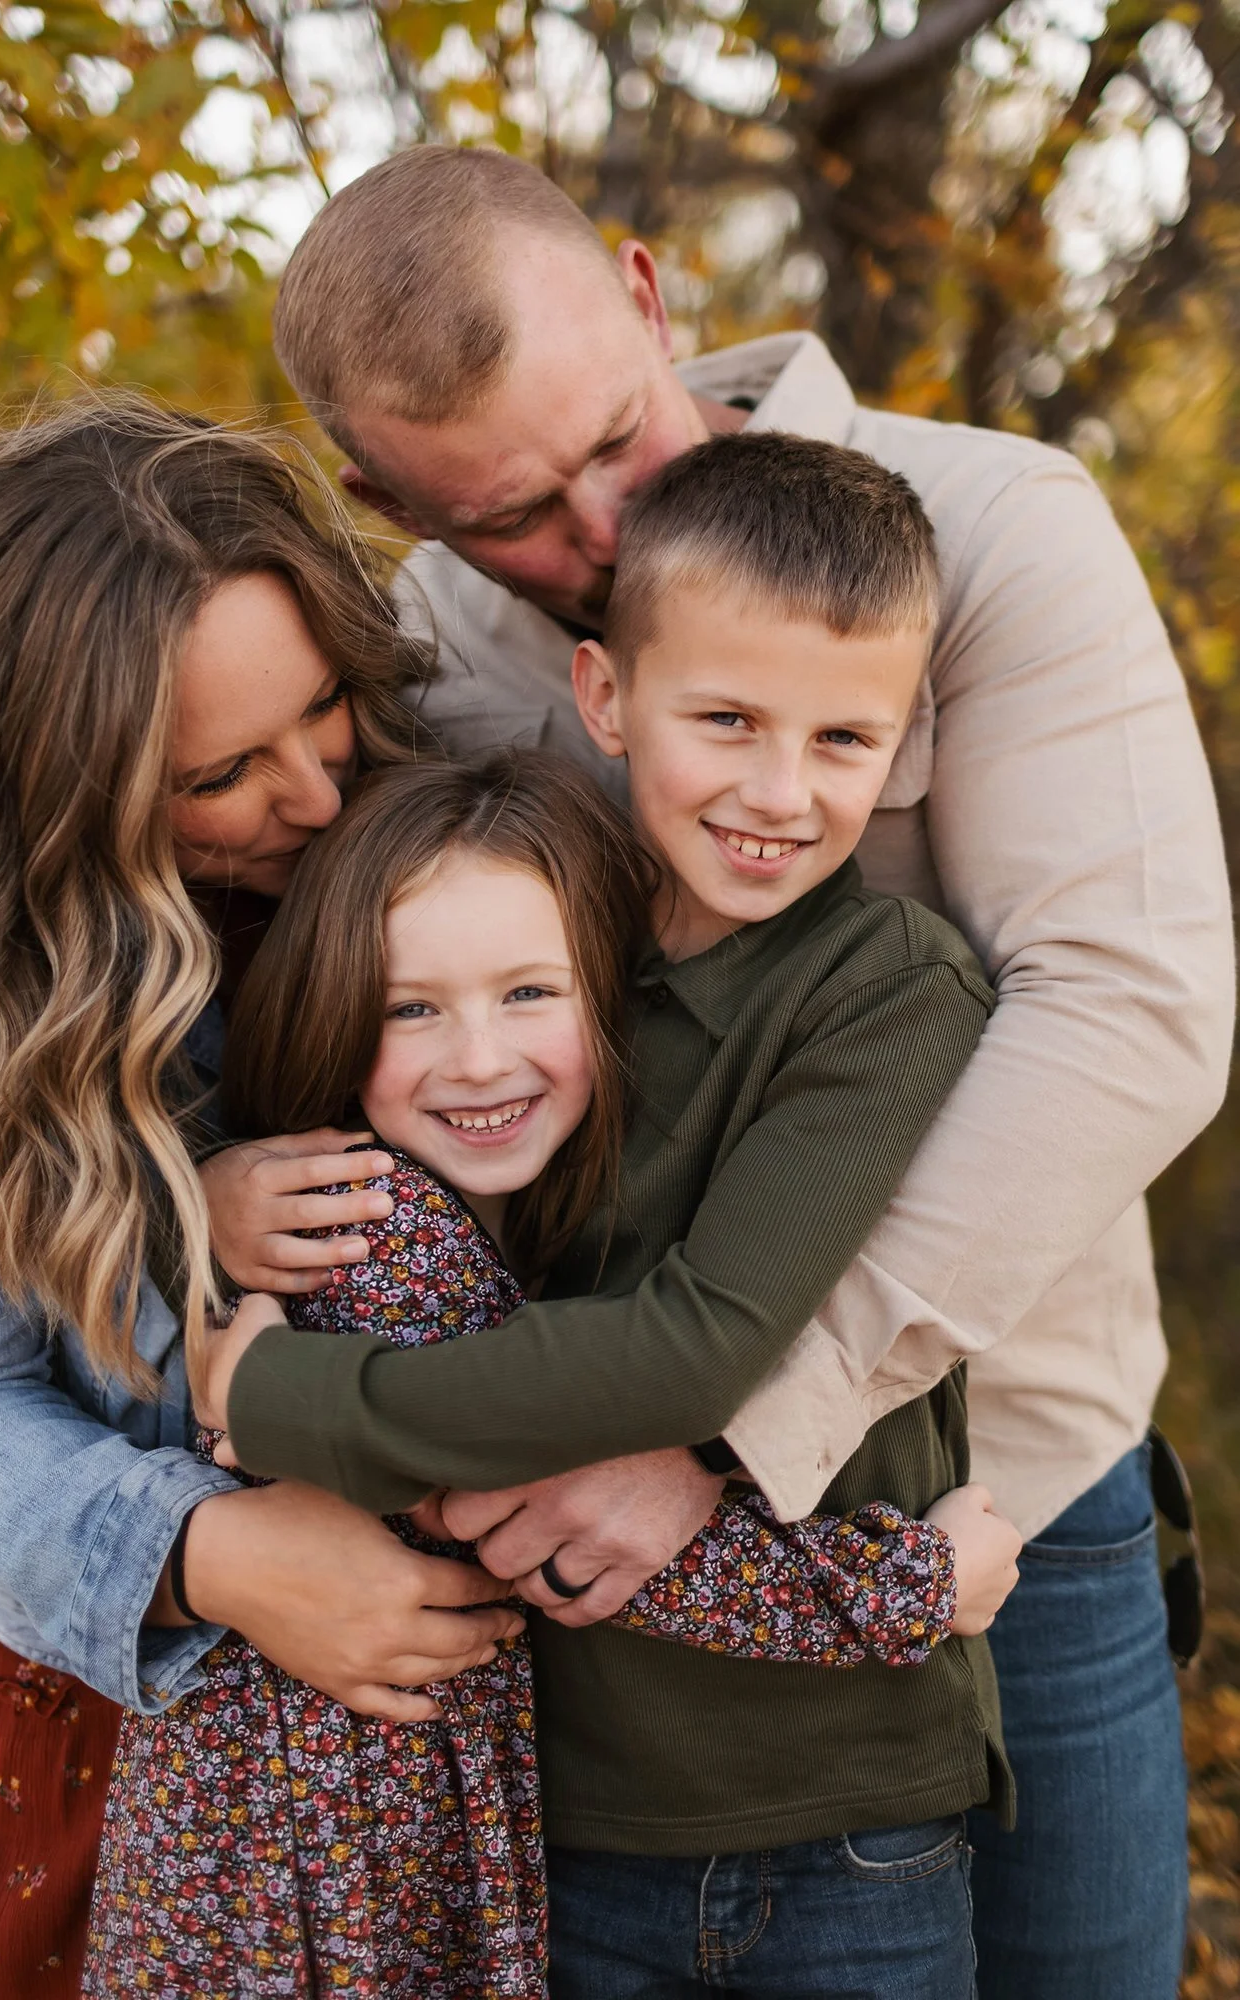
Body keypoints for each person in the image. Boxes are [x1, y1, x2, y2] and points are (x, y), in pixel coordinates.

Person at [260, 145, 1235, 1999]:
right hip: (595, 1584)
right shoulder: (424, 666)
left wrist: (728, 1427)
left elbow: (1129, 1012)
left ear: (647, 298)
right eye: (520, 517)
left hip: (1001, 1499)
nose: (611, 535)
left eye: (620, 438)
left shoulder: (999, 530)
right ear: (388, 499)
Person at [198, 434, 1023, 1998]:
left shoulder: (886, 986)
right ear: (603, 703)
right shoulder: (533, 968)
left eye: (844, 738)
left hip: (840, 1813)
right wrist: (215, 1199)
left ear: (907, 746)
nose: (781, 793)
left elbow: (696, 1350)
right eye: (725, 720)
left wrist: (282, 1402)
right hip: (556, 1815)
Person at [0, 398, 523, 1997]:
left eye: (320, 708)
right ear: (67, 796)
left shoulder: (430, 829)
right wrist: (220, 1554)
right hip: (89, 1715)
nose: (313, 795)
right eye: (219, 778)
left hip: (460, 1726)